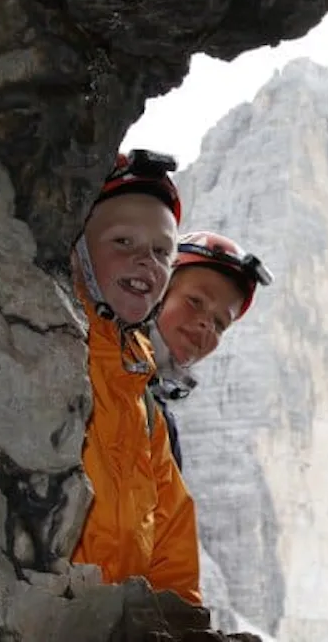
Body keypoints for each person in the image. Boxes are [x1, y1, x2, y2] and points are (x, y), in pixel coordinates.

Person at [68, 148, 201, 604]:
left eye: (162, 251)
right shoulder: (46, 360)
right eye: (123, 242)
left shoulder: (141, 401)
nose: (146, 260)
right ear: (79, 251)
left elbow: (172, 544)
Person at [145, 231, 274, 470]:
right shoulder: (92, 359)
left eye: (220, 324)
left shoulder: (159, 423)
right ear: (158, 289)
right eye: (195, 301)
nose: (206, 324)